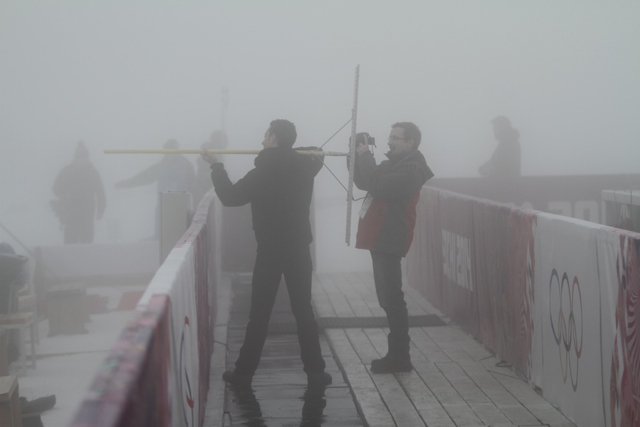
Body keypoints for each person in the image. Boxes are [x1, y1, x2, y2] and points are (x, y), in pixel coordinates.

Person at [200, 119, 331, 388]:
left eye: (266, 134)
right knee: (304, 310)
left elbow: (230, 197)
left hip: (270, 250)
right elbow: (317, 151)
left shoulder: (261, 174)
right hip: (298, 249)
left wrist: (216, 166)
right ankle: (316, 372)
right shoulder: (306, 167)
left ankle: (244, 374)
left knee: (259, 314)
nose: (262, 137)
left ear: (272, 138)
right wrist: (293, 149)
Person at [351, 122, 434, 373]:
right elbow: (364, 181)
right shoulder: (393, 164)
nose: (389, 141)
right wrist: (355, 155)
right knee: (388, 297)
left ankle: (400, 356)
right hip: (381, 236)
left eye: (396, 138)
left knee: (393, 298)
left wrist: (365, 156)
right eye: (389, 136)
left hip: (390, 236)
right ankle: (398, 355)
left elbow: (379, 186)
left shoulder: (412, 170)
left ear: (411, 143)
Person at [114, 139, 196, 237]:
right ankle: (157, 240)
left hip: (180, 205)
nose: (171, 154)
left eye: (173, 151)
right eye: (168, 151)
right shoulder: (161, 167)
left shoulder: (186, 166)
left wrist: (198, 206)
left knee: (180, 233)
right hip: (163, 204)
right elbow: (144, 177)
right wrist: (127, 183)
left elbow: (195, 187)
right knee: (161, 232)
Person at [51, 141, 106, 244]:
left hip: (87, 215)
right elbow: (55, 188)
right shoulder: (66, 171)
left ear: (87, 158)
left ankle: (86, 260)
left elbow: (100, 192)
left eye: (84, 156)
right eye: (80, 156)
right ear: (75, 158)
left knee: (87, 245)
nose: (82, 159)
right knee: (70, 245)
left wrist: (101, 210)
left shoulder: (93, 173)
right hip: (70, 215)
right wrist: (65, 195)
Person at [194, 130, 228, 205]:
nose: (226, 144)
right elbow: (208, 179)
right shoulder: (210, 157)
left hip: (209, 190)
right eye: (224, 141)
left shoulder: (217, 155)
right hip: (206, 191)